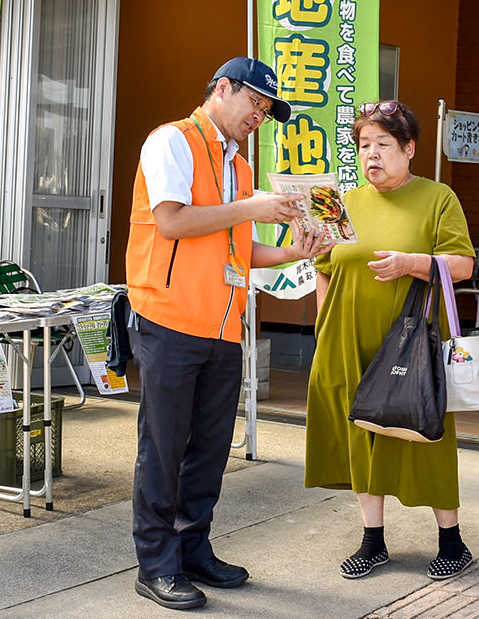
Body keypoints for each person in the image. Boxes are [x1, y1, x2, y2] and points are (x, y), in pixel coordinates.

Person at [126, 56, 331, 611]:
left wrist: (292, 251)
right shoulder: (172, 140)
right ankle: (155, 564)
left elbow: (237, 247)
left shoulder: (238, 166)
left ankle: (193, 550)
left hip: (222, 323)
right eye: (254, 103)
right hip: (169, 317)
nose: (259, 116)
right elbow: (172, 220)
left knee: (210, 449)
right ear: (222, 89)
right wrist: (252, 206)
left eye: (267, 110)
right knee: (163, 450)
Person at [305, 100, 477, 581]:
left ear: (409, 149)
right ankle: (372, 540)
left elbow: (461, 265)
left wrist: (411, 262)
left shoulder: (437, 197)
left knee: (424, 430)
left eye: (383, 144)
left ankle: (452, 541)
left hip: (411, 343)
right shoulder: (344, 202)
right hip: (346, 339)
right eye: (364, 145)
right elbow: (324, 268)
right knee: (361, 436)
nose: (372, 155)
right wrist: (323, 331)